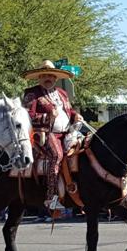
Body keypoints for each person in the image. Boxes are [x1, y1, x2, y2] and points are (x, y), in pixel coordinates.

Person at [22, 60, 83, 211]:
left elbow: (68, 111)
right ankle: (51, 197)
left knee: (85, 149)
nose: (47, 78)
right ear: (39, 78)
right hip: (44, 133)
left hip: (67, 133)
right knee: (56, 155)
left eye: (50, 75)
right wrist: (47, 117)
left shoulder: (62, 93)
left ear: (55, 78)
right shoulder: (32, 93)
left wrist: (75, 115)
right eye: (44, 75)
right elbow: (26, 115)